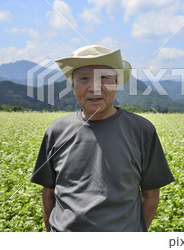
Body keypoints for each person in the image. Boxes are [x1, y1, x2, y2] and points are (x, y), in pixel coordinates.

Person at [30, 45, 174, 232]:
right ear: (73, 86)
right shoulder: (56, 131)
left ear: (116, 83)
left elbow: (151, 195)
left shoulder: (142, 130)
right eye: (84, 78)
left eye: (104, 78)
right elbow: (48, 193)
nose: (94, 87)